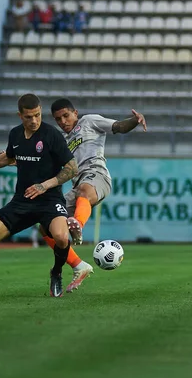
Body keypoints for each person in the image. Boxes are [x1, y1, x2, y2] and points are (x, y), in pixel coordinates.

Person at [0, 93, 79, 298]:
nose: (34, 120)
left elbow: (71, 168)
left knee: (62, 237)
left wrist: (44, 186)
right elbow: (7, 158)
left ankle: (56, 273)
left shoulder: (51, 135)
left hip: (50, 200)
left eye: (37, 115)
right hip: (22, 201)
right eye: (29, 117)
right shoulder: (15, 135)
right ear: (20, 116)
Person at [48, 98, 147, 291]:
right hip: (77, 186)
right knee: (45, 223)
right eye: (58, 119)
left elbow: (119, 127)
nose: (63, 122)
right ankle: (78, 265)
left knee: (83, 190)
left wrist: (135, 120)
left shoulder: (89, 121)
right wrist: (15, 158)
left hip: (97, 176)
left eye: (66, 116)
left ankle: (78, 224)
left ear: (75, 113)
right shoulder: (60, 141)